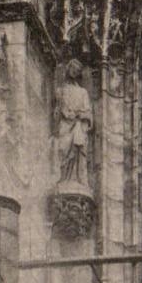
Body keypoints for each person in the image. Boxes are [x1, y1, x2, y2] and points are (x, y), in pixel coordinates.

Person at [55, 58, 93, 188]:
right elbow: (57, 111)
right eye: (72, 69)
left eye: (77, 70)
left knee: (77, 150)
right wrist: (64, 113)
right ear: (68, 69)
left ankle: (77, 179)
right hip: (65, 126)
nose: (74, 72)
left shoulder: (83, 92)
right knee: (63, 149)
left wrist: (79, 115)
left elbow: (88, 112)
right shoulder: (60, 90)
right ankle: (63, 178)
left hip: (78, 126)